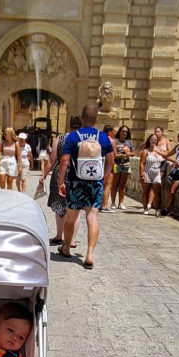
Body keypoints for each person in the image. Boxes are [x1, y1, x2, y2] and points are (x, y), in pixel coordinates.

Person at [57, 103, 114, 269]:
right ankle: (89, 255)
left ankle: (66, 248)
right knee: (92, 217)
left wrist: (62, 182)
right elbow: (110, 161)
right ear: (96, 119)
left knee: (71, 217)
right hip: (95, 183)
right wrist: (102, 177)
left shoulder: (73, 137)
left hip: (76, 182)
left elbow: (65, 161)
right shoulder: (103, 138)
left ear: (82, 118)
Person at [43, 115, 82, 245]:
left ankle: (59, 235)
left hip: (60, 172)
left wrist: (43, 175)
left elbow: (52, 159)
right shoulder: (84, 139)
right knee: (75, 208)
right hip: (77, 174)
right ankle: (72, 240)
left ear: (69, 124)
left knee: (60, 206)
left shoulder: (61, 138)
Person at [109, 124, 135, 210]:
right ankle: (112, 203)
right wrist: (120, 154)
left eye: (126, 132)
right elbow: (113, 153)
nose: (124, 133)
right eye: (123, 131)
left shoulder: (129, 142)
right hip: (116, 164)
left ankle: (121, 203)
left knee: (123, 185)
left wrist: (128, 154)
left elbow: (133, 153)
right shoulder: (115, 141)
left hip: (126, 164)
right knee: (115, 184)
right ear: (120, 132)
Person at [139, 133, 163, 215]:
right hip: (147, 172)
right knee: (146, 191)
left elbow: (166, 157)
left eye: (155, 139)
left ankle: (158, 208)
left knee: (157, 191)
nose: (154, 141)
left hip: (157, 172)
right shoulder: (145, 151)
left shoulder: (159, 151)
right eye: (152, 139)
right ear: (149, 140)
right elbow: (142, 163)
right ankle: (145, 208)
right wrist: (141, 174)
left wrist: (175, 161)